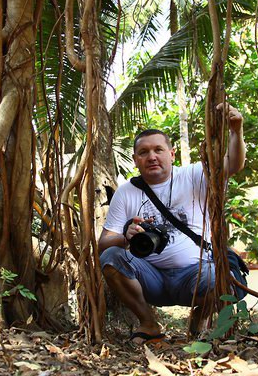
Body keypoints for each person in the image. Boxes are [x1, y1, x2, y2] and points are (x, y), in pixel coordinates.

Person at [98, 103, 246, 343]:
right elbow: (103, 243)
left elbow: (233, 164)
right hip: (150, 278)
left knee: (224, 280)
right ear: (135, 160)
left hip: (196, 274)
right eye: (143, 152)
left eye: (158, 149)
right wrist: (125, 237)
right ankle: (148, 324)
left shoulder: (195, 175)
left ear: (172, 154)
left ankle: (202, 314)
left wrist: (236, 130)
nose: (152, 157)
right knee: (111, 257)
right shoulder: (126, 192)